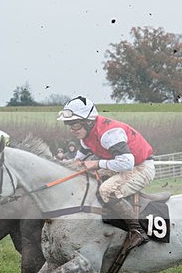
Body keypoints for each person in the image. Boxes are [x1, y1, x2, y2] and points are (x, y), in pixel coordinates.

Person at [58, 96, 156, 253]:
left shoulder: (110, 134)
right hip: (123, 165)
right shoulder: (86, 136)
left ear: (89, 121)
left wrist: (97, 164)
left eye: (75, 124)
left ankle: (137, 231)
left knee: (106, 190)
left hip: (140, 167)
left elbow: (127, 163)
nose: (72, 129)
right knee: (88, 178)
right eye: (69, 124)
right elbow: (78, 161)